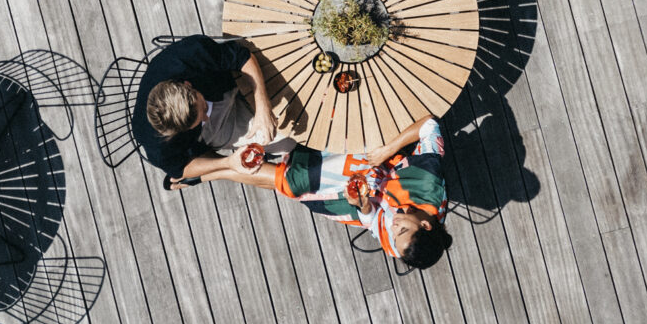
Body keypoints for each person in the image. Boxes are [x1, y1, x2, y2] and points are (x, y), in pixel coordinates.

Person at [167, 113, 453, 270]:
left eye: (396, 235)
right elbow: (429, 125)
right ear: (426, 224)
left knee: (291, 185)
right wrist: (387, 151)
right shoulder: (429, 183)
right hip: (375, 161)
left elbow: (374, 223)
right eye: (402, 229)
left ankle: (206, 172)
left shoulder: (398, 246)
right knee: (291, 183)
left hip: (357, 197)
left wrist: (364, 206)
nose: (395, 227)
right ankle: (204, 173)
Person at [131, 34, 283, 188]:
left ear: (188, 84)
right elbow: (182, 168)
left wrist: (263, 107)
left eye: (203, 108)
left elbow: (242, 57)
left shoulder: (187, 55)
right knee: (284, 141)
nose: (206, 116)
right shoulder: (157, 146)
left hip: (229, 79)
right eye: (200, 119)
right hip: (212, 131)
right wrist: (228, 162)